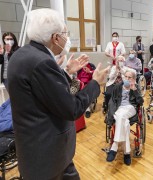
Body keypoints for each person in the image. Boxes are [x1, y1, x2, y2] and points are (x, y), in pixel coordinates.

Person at [7, 8, 109, 180]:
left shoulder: (21, 55)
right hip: (47, 157)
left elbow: (48, 95)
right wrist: (95, 83)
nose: (66, 38)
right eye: (65, 33)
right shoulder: (42, 62)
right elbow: (72, 108)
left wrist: (67, 73)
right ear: (55, 38)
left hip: (39, 151)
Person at [106, 69, 144, 165]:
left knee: (121, 115)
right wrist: (111, 112)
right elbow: (112, 101)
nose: (127, 79)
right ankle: (127, 152)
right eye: (126, 76)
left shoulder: (136, 87)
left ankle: (114, 146)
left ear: (134, 79)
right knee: (125, 123)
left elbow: (140, 102)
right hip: (119, 109)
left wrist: (134, 90)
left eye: (129, 77)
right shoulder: (118, 86)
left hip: (131, 108)